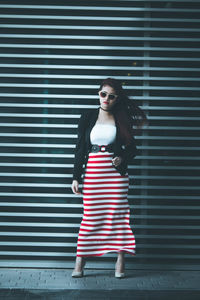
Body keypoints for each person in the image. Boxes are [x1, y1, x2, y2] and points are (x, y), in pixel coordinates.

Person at [71, 77, 147, 278]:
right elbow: (79, 149)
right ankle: (79, 263)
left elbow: (132, 150)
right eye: (103, 94)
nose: (106, 99)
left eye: (111, 96)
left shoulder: (121, 118)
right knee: (89, 217)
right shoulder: (87, 116)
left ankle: (120, 262)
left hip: (116, 178)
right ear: (98, 93)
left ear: (117, 99)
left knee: (119, 217)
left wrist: (122, 157)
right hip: (94, 175)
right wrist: (76, 177)